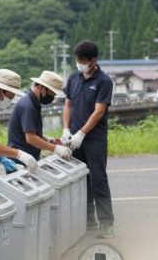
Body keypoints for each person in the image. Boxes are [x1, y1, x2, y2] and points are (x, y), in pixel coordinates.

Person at [61, 40, 114, 238]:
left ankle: (106, 223)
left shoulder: (103, 81)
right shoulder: (74, 77)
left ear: (93, 61)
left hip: (94, 139)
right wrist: (67, 129)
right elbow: (68, 105)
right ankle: (88, 221)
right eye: (78, 60)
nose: (80, 64)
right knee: (81, 181)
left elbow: (99, 111)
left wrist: (82, 133)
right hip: (74, 137)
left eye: (83, 61)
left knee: (98, 179)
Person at [7, 71, 72, 166]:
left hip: (27, 157)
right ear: (42, 88)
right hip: (20, 160)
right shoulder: (28, 106)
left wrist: (46, 138)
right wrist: (55, 148)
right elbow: (31, 138)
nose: (53, 97)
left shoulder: (33, 103)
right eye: (52, 94)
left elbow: (29, 130)